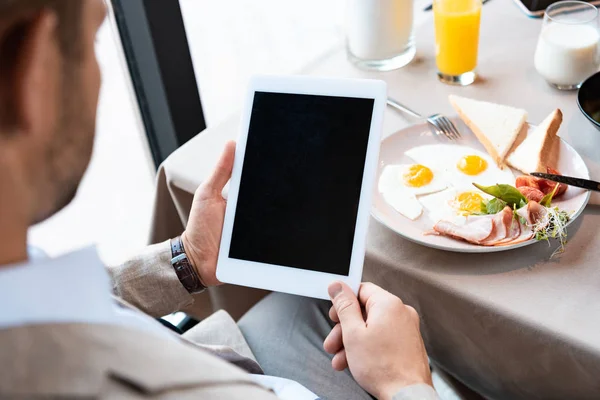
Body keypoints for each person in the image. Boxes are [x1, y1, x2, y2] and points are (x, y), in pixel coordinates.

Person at [0, 1, 437, 399]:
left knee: (311, 300)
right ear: (34, 70)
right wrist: (405, 384)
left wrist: (186, 258)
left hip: (219, 357)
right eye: (96, 38)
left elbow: (87, 307)